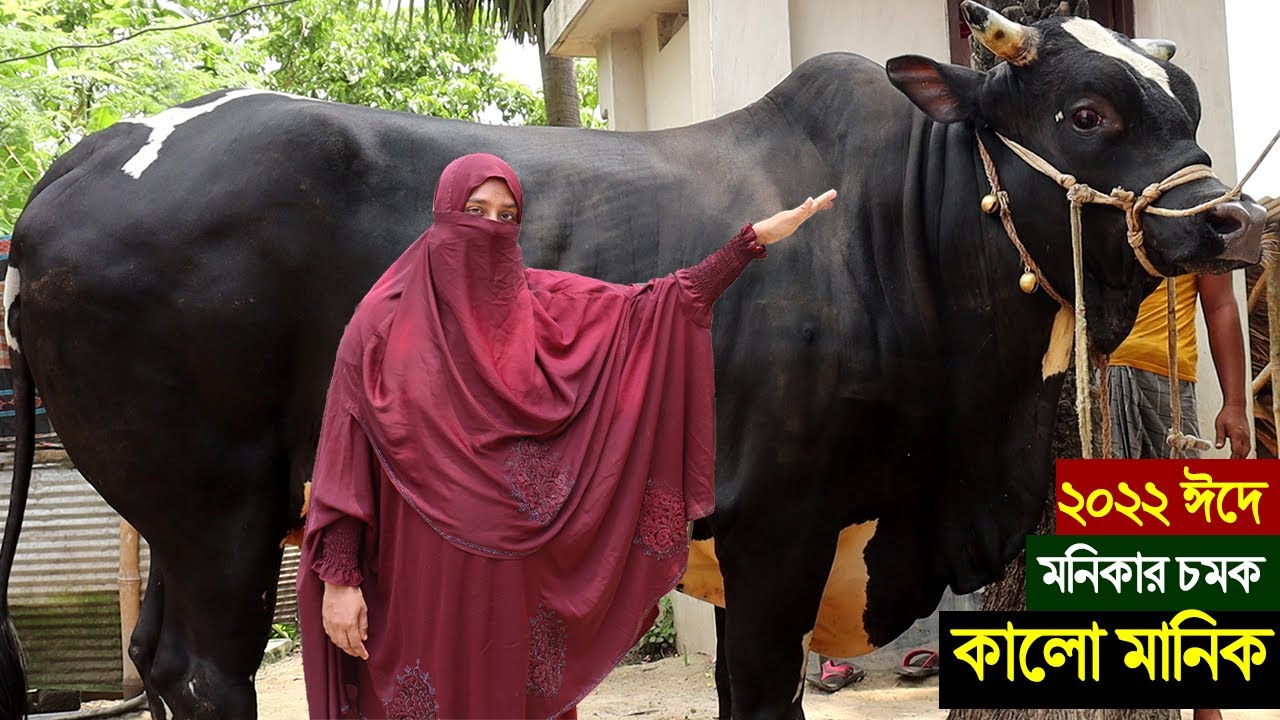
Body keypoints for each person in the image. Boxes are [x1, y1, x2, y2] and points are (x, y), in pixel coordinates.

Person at [296, 152, 837, 719]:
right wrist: (340, 580)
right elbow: (345, 458)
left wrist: (747, 245)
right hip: (421, 586)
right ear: (443, 213)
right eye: (475, 211)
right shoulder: (380, 326)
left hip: (515, 593)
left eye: (507, 217)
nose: (491, 227)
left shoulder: (543, 308)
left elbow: (658, 308)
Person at [1105, 272, 1249, 720]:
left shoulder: (1204, 223)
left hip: (1167, 382)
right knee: (1103, 549)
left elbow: (1220, 303)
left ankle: (1206, 703)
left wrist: (1235, 403)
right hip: (1089, 374)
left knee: (1183, 547)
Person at [1105, 273, 1251, 461]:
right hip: (1093, 369)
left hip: (1167, 375)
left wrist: (1235, 404)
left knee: (1181, 479)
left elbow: (1220, 305)